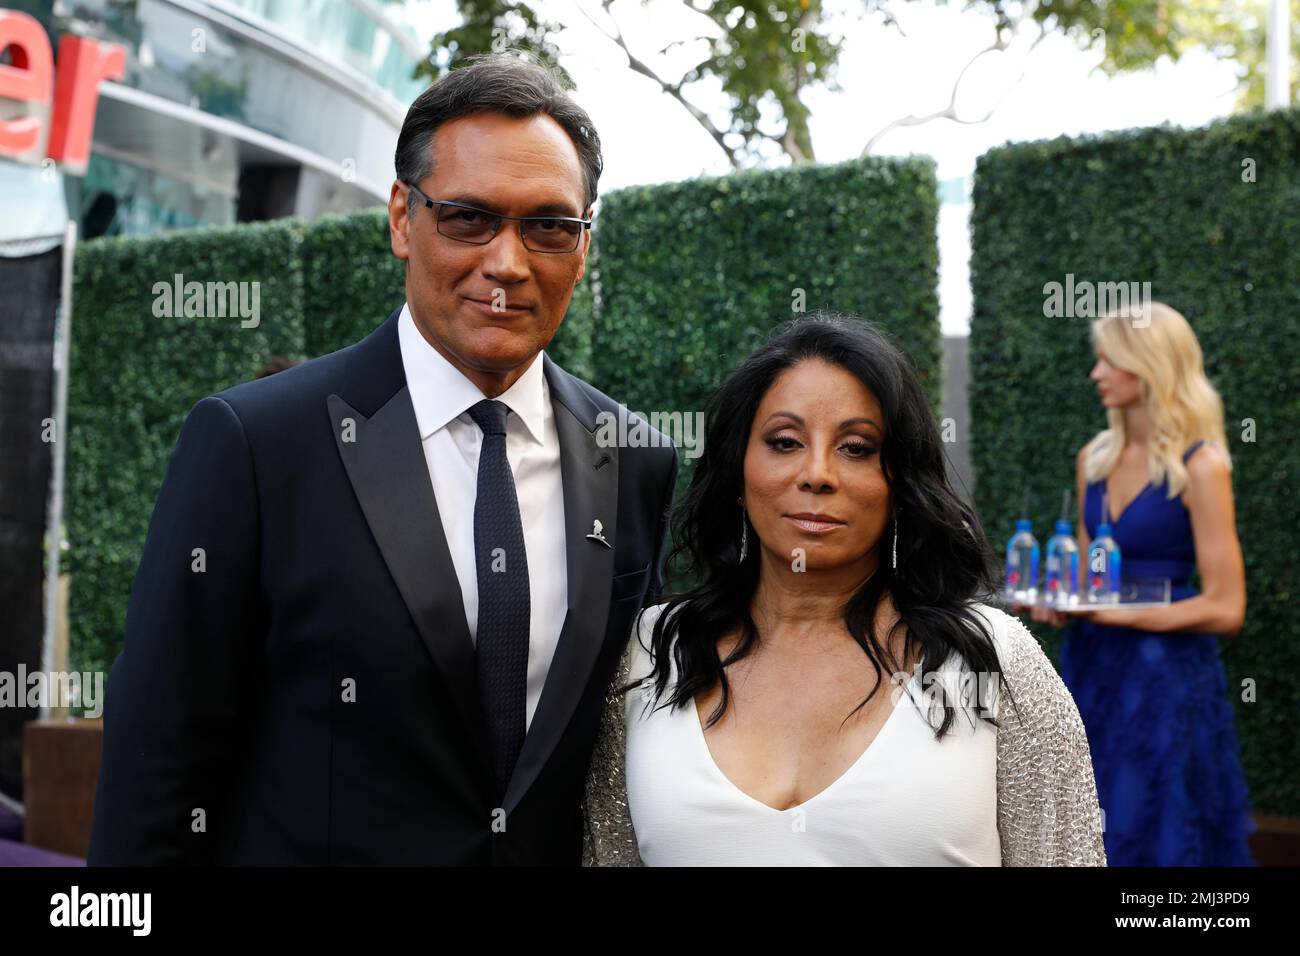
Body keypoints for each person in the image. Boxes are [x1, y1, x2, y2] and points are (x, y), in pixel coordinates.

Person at [88, 55, 678, 865]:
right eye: (469, 217)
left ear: (583, 246)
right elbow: (156, 769)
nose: (508, 262)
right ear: (402, 218)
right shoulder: (255, 444)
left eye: (548, 225)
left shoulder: (634, 459)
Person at [582, 313, 1106, 865]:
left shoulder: (993, 661)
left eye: (856, 447)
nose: (817, 473)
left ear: (900, 481)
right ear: (739, 472)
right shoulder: (650, 651)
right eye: (784, 442)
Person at [1031, 301, 1254, 866]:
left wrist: (1118, 615)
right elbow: (1089, 576)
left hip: (1165, 675)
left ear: (1150, 364)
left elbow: (1227, 607)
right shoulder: (1094, 460)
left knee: (1154, 819)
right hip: (1092, 666)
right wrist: (1061, 600)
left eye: (1110, 359)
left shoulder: (1201, 465)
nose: (1096, 373)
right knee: (1086, 813)